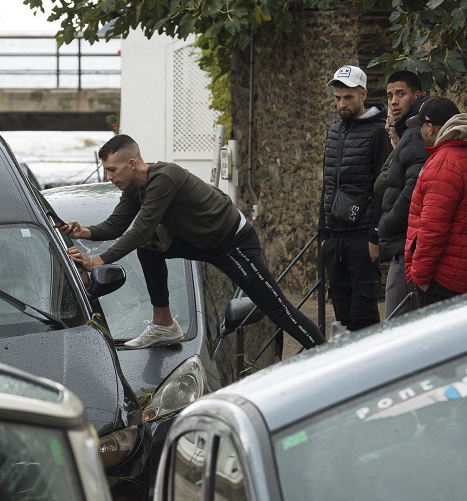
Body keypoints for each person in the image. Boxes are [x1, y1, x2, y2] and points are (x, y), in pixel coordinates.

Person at [59, 134, 325, 350]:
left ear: (131, 164)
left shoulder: (165, 177)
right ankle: (164, 324)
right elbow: (117, 225)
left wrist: (96, 261)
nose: (108, 178)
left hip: (233, 243)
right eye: (106, 171)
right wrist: (85, 232)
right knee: (150, 249)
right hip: (201, 243)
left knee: (276, 308)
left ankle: (324, 354)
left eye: (112, 170)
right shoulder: (132, 189)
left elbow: (140, 229)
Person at [403, 97, 467, 308]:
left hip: (445, 280)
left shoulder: (443, 165)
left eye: (421, 126)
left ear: (430, 128)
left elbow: (431, 230)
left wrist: (419, 278)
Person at [320, 65, 392, 331]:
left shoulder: (377, 132)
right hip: (334, 236)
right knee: (341, 313)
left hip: (361, 235)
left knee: (364, 314)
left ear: (363, 93)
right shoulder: (334, 131)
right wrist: (323, 232)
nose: (342, 103)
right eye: (338, 97)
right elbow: (328, 183)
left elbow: (383, 188)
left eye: (348, 97)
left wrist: (374, 236)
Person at [375, 70, 427, 318]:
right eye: (389, 96)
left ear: (417, 96)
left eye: (400, 94)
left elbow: (410, 191)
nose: (393, 101)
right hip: (404, 242)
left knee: (396, 324)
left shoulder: (416, 136)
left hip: (407, 243)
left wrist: (385, 225)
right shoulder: (406, 134)